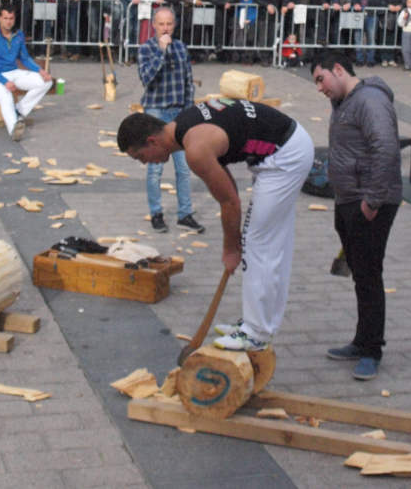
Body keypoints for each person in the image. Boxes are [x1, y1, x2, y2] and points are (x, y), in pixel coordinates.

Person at [117, 98, 315, 353]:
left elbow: (230, 202)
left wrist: (231, 249)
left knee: (256, 243)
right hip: (286, 146)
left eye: (140, 157)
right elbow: (229, 188)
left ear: (152, 141)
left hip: (285, 157)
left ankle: (256, 333)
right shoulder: (184, 125)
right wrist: (233, 243)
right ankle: (259, 322)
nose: (145, 163)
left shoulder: (196, 149)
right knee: (270, 241)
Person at [310, 52, 402, 381]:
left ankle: (372, 350)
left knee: (369, 274)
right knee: (360, 273)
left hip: (370, 202)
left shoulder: (370, 101)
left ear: (338, 69)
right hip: (349, 198)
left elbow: (386, 148)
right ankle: (361, 340)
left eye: (321, 79)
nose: (320, 88)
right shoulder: (344, 102)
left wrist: (372, 202)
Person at [136, 7, 204, 234]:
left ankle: (185, 214)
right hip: (155, 112)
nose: (165, 28)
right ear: (154, 25)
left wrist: (189, 112)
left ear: (174, 25)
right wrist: (161, 51)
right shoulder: (146, 49)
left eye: (169, 24)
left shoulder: (181, 47)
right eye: (161, 24)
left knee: (183, 168)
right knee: (155, 169)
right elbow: (147, 78)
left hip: (178, 113)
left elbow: (187, 81)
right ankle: (156, 213)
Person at [0, 1, 53, 140]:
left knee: (46, 82)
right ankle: (14, 129)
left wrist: (40, 71)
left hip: (14, 71)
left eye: (11, 18)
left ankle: (19, 110)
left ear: (15, 18)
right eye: (5, 18)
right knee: (6, 96)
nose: (8, 22)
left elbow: (24, 58)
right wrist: (4, 81)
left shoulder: (19, 35)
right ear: (0, 18)